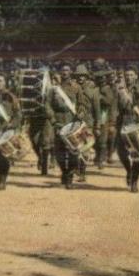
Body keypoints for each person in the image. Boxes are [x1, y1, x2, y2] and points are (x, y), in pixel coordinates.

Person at [115, 65, 139, 193]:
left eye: (131, 75)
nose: (129, 77)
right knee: (121, 152)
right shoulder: (119, 91)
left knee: (138, 153)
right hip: (122, 122)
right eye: (127, 75)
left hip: (136, 123)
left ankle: (134, 182)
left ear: (136, 76)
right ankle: (129, 170)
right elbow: (114, 108)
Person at [50, 61, 85, 189]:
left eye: (67, 70)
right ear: (60, 72)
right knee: (58, 151)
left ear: (71, 72)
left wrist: (81, 113)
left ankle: (69, 175)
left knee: (73, 151)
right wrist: (53, 119)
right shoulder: (53, 89)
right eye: (63, 70)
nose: (65, 72)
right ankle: (64, 171)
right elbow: (48, 105)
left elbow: (82, 104)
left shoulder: (76, 87)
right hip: (58, 121)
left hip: (72, 122)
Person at [0, 73, 22, 189]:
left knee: (3, 155)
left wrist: (12, 124)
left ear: (5, 82)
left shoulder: (11, 97)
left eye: (0, 80)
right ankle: (2, 171)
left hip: (6, 130)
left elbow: (18, 114)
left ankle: (3, 177)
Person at [73, 64, 101, 182]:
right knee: (74, 147)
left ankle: (82, 172)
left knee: (84, 148)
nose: (80, 78)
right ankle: (76, 169)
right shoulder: (72, 90)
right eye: (78, 76)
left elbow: (97, 110)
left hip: (88, 123)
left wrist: (97, 126)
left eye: (83, 76)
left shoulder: (93, 92)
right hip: (74, 123)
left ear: (86, 77)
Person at [94, 69, 118, 169]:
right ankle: (99, 157)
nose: (101, 81)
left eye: (103, 79)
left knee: (103, 138)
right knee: (98, 138)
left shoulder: (107, 89)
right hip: (97, 114)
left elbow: (109, 102)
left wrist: (100, 98)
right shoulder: (97, 89)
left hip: (105, 115)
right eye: (99, 79)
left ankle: (101, 159)